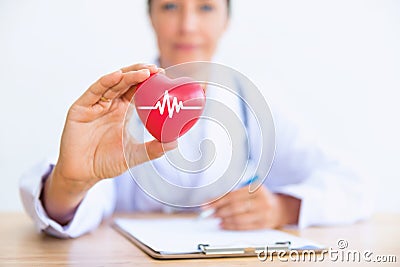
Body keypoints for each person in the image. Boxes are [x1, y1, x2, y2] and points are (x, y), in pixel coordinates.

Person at [20, 0, 371, 238]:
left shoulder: (254, 103)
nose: (187, 26)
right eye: (171, 6)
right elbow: (79, 205)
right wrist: (69, 183)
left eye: (205, 7)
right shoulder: (117, 105)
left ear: (226, 19)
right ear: (151, 15)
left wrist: (282, 208)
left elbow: (355, 187)